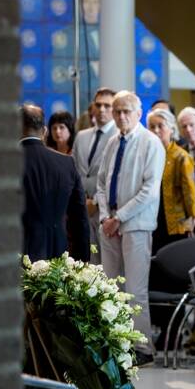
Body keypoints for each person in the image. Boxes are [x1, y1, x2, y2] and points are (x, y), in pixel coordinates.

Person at [94, 91, 165, 366]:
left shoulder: (151, 143)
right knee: (111, 287)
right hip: (109, 224)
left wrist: (119, 217)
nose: (121, 116)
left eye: (127, 111)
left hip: (136, 225)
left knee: (135, 289)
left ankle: (142, 347)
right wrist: (104, 217)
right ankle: (116, 342)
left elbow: (149, 191)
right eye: (117, 111)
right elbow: (101, 183)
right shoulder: (112, 142)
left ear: (139, 113)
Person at [20, 104, 89, 263]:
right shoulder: (66, 163)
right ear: (44, 132)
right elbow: (79, 217)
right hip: (57, 250)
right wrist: (81, 260)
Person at [71, 87, 118, 263]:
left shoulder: (119, 136)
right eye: (98, 105)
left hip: (106, 211)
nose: (102, 109)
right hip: (81, 208)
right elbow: (73, 172)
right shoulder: (82, 136)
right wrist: (81, 199)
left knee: (108, 266)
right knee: (85, 262)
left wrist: (96, 201)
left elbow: (115, 177)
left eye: (108, 105)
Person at [146, 108, 195, 251]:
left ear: (171, 128)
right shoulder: (147, 155)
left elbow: (189, 192)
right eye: (152, 126)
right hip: (150, 218)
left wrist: (192, 219)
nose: (156, 130)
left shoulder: (181, 156)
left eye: (160, 126)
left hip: (175, 222)